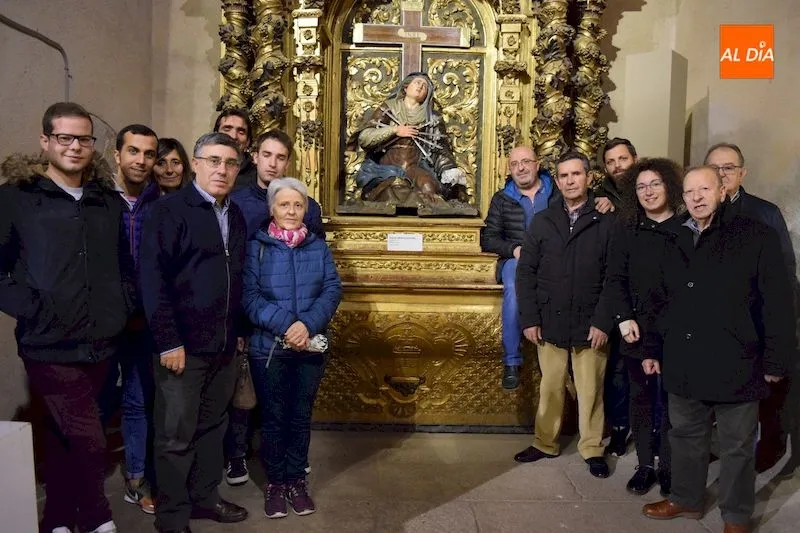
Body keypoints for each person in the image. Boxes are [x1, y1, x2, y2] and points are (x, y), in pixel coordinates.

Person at [0, 102, 133, 533]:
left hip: (99, 340)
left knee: (62, 434)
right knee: (90, 438)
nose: (75, 147)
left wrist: (121, 306)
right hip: (47, 342)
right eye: (65, 138)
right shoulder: (16, 199)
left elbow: (124, 265)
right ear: (46, 141)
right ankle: (97, 517)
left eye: (84, 139)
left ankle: (56, 517)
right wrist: (31, 307)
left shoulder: (107, 203)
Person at [642, 166, 795, 533]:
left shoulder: (756, 235)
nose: (696, 197)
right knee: (686, 438)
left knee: (738, 447)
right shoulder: (671, 236)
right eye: (690, 191)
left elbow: (777, 302)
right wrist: (651, 347)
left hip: (738, 360)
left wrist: (776, 358)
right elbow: (655, 300)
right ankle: (686, 499)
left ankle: (736, 516)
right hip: (683, 358)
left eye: (705, 189)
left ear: (722, 190)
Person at [140, 132, 249, 533]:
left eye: (230, 163)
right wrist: (169, 340)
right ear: (197, 164)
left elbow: (234, 278)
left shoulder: (234, 214)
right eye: (214, 161)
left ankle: (205, 498)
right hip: (181, 348)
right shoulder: (169, 211)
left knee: (211, 429)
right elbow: (152, 281)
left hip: (222, 347)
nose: (222, 170)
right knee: (175, 437)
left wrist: (237, 331)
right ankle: (172, 516)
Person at [222, 129, 325, 487]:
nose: (273, 162)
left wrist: (306, 324)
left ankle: (290, 469)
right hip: (260, 324)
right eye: (267, 155)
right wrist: (275, 324)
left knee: (293, 411)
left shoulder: (309, 224)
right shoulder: (238, 201)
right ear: (255, 156)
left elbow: (324, 279)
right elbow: (242, 277)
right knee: (249, 397)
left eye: (281, 157)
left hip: (302, 332)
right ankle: (243, 458)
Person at [242, 177, 342, 519]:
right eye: (284, 204)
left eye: (298, 205)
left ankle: (296, 481)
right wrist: (287, 325)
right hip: (269, 348)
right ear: (272, 208)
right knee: (273, 419)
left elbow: (331, 290)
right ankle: (275, 484)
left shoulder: (317, 247)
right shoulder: (256, 246)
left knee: (300, 418)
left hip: (310, 347)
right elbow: (250, 298)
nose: (291, 211)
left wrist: (307, 325)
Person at [514, 151, 615, 478]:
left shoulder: (606, 220)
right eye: (564, 176)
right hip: (550, 319)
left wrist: (603, 321)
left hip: (591, 322)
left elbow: (615, 276)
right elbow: (526, 272)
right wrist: (530, 318)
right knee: (551, 386)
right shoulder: (543, 220)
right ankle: (545, 442)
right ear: (556, 181)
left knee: (591, 389)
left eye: (576, 174)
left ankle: (592, 447)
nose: (570, 181)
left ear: (588, 177)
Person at [704, 142, 798, 473]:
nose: (721, 174)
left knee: (766, 398)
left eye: (728, 168)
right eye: (714, 168)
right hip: (716, 326)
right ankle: (719, 448)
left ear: (742, 173)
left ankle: (769, 448)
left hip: (756, 324)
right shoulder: (699, 211)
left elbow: (785, 275)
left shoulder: (765, 212)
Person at [606, 158, 684, 496]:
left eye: (654, 184)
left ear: (669, 186)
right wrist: (623, 319)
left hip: (676, 330)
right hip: (635, 328)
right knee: (640, 399)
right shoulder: (627, 230)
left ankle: (668, 466)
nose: (648, 192)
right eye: (640, 187)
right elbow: (615, 279)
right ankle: (644, 466)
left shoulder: (686, 229)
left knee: (671, 403)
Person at [112, 124, 161, 515]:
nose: (140, 160)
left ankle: (136, 476)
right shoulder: (98, 201)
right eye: (133, 151)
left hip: (144, 321)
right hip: (100, 319)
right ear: (118, 155)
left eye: (148, 154)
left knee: (138, 399)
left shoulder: (160, 204)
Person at [481, 146, 556, 390]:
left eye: (525, 162)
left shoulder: (556, 193)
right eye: (514, 164)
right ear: (509, 170)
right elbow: (488, 238)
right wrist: (514, 249)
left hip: (553, 258)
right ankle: (511, 361)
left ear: (537, 164)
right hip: (516, 259)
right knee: (514, 286)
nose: (521, 168)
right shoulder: (501, 199)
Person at [348, 72, 469, 206]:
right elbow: (365, 138)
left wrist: (449, 171)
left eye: (425, 86)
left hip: (415, 165)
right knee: (394, 189)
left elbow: (440, 150)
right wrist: (395, 130)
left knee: (428, 187)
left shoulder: (432, 118)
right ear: (406, 87)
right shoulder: (388, 109)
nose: (421, 87)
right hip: (387, 166)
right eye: (417, 82)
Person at [599, 137, 639, 457]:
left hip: (650, 290)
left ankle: (653, 431)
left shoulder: (651, 185)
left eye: (622, 159)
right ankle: (619, 428)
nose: (617, 166)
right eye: (611, 162)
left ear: (634, 158)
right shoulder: (600, 194)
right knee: (617, 368)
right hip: (617, 288)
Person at [214, 108, 256, 190]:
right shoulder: (202, 169)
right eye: (227, 129)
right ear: (215, 135)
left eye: (241, 132)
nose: (233, 136)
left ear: (248, 141)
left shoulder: (259, 178)